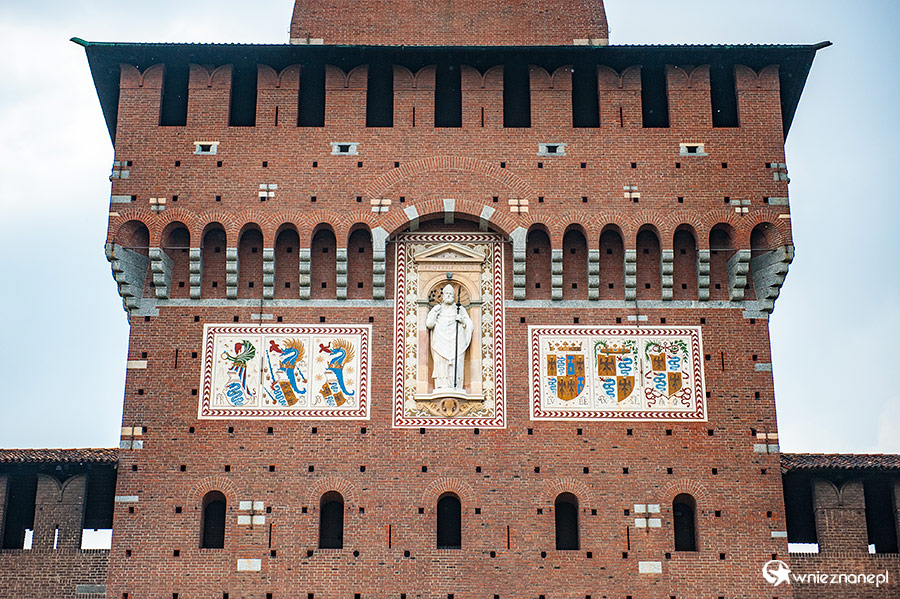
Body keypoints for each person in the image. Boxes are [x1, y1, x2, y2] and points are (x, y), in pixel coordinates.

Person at [425, 284, 473, 390]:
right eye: (446, 293)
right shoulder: (437, 308)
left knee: (457, 363)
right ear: (443, 295)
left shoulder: (459, 309)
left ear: (454, 296)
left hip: (457, 342)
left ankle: (456, 386)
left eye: (450, 294)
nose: (448, 295)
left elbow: (470, 325)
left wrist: (462, 320)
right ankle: (441, 386)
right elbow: (429, 324)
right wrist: (434, 313)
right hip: (440, 342)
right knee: (441, 363)